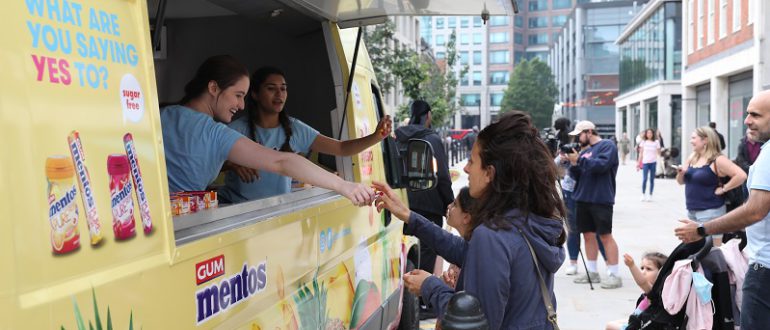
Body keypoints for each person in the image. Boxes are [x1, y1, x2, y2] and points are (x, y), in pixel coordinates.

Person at [373, 111, 566, 329]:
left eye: (472, 161)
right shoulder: (526, 221)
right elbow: (465, 250)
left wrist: (430, 286)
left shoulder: (493, 236)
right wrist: (408, 215)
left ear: (489, 173)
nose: (465, 168)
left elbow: (476, 323)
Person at [160, 55, 374, 206]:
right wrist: (344, 186)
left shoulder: (160, 114)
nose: (241, 105)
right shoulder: (216, 134)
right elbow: (282, 162)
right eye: (237, 95)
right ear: (213, 88)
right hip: (178, 224)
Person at [218, 66, 392, 202]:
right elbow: (208, 160)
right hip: (239, 211)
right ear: (255, 94)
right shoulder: (236, 129)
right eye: (271, 88)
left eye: (283, 89)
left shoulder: (296, 129)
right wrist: (233, 165)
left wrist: (376, 136)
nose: (279, 94)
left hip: (278, 211)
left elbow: (341, 148)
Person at [675, 89, 770, 328]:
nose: (747, 121)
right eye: (748, 114)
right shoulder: (692, 157)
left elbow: (755, 210)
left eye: (755, 115)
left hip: (765, 269)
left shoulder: (767, 156)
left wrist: (701, 229)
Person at [395, 100, 453, 318]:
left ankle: (408, 298)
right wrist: (450, 202)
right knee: (428, 253)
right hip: (430, 203)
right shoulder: (432, 138)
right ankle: (423, 303)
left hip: (404, 203)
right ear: (428, 115)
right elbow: (443, 176)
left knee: (408, 252)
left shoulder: (398, 137)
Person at [566, 120, 623, 289]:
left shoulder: (607, 146)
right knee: (587, 235)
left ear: (589, 132)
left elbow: (602, 166)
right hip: (582, 198)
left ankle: (614, 274)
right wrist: (573, 163)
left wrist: (580, 161)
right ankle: (592, 271)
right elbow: (578, 175)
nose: (578, 138)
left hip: (601, 198)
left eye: (579, 134)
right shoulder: (585, 152)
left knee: (605, 235)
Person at [674, 126, 746, 246]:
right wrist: (681, 173)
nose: (691, 141)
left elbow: (741, 175)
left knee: (713, 251)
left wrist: (724, 188)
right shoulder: (693, 157)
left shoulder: (718, 160)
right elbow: (681, 182)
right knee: (694, 249)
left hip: (712, 212)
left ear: (705, 140)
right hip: (692, 211)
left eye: (694, 138)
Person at [556, 147, 607, 276]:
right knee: (573, 230)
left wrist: (579, 160)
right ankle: (573, 262)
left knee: (596, 232)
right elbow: (556, 168)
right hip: (569, 195)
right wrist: (563, 160)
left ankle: (609, 263)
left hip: (586, 196)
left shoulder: (595, 152)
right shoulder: (568, 158)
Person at [605, 252, 668, 330]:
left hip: (644, 326)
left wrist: (632, 266)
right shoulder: (652, 292)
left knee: (610, 326)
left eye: (648, 269)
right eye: (642, 268)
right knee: (618, 322)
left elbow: (642, 282)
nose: (643, 272)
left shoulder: (656, 292)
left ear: (661, 273)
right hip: (640, 322)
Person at [637, 128, 661, 202]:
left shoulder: (656, 142)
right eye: (648, 133)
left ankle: (650, 195)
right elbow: (640, 154)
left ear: (653, 134)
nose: (649, 134)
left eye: (650, 133)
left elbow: (658, 153)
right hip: (645, 163)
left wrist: (659, 162)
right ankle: (643, 194)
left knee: (652, 180)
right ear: (646, 134)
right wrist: (638, 163)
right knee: (644, 179)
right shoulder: (643, 142)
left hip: (653, 163)